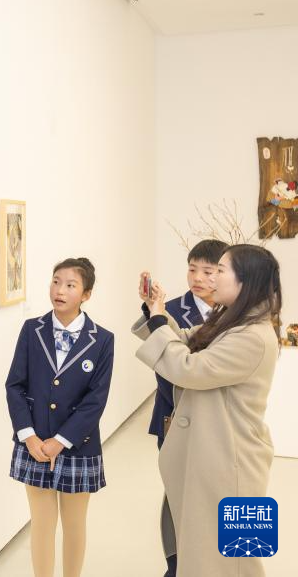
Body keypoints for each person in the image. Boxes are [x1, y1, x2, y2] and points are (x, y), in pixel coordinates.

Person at [133, 244, 281, 577]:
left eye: (220, 271)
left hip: (233, 461)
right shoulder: (232, 321)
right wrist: (156, 310)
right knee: (208, 554)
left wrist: (159, 320)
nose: (211, 279)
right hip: (217, 454)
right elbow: (185, 340)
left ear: (245, 281)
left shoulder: (252, 335)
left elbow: (189, 368)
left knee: (239, 557)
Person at [5, 258, 114, 577]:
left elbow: (96, 400)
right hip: (35, 444)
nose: (60, 290)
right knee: (41, 524)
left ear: (86, 294)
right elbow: (14, 385)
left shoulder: (103, 339)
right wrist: (29, 436)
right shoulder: (32, 330)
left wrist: (61, 441)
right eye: (56, 281)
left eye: (70, 285)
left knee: (75, 524)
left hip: (78, 445)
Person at [144, 238, 227, 577]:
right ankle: (178, 565)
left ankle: (213, 563)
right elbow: (165, 363)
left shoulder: (237, 318)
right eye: (193, 269)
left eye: (210, 271)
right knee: (178, 496)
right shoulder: (174, 309)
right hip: (175, 415)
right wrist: (155, 312)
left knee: (218, 499)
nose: (199, 278)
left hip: (221, 426)